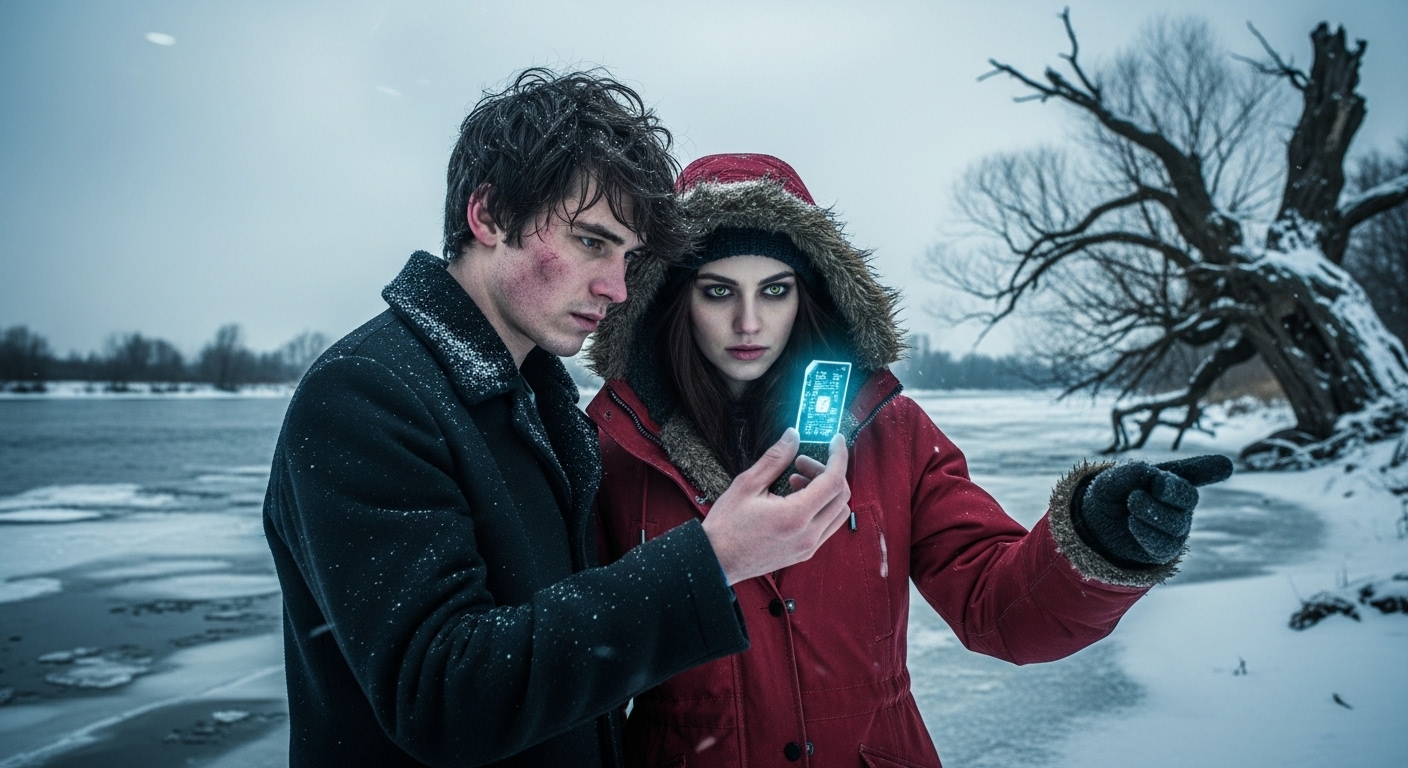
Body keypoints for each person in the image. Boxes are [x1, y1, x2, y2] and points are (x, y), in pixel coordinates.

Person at [263, 75, 854, 767]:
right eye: (590, 242)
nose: (618, 287)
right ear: (487, 215)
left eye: (628, 257)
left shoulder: (540, 406)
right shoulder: (367, 395)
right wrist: (713, 559)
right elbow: (445, 696)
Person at [585, 153, 1233, 767]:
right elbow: (572, 657)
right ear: (674, 297)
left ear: (812, 295)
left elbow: (999, 607)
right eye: (719, 291)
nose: (749, 322)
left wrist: (1097, 541)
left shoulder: (890, 432)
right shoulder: (614, 447)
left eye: (775, 290)